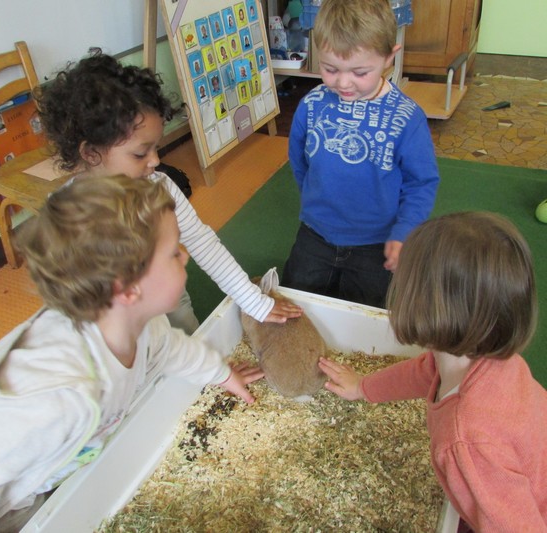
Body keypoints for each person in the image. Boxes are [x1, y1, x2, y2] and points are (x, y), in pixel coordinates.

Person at [0, 175, 264, 528]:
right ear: (128, 288)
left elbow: (173, 350)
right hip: (11, 501)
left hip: (54, 467)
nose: (184, 255)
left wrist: (222, 374)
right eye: (173, 253)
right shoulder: (55, 396)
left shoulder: (144, 325)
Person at [35, 50, 301, 334]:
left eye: (156, 147)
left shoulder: (160, 186)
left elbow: (201, 241)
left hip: (171, 303)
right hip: (110, 322)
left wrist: (253, 301)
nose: (156, 161)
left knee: (188, 345)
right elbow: (66, 296)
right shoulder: (65, 213)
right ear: (90, 153)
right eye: (140, 153)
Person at [319, 212, 547, 531]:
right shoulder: (483, 357)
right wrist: (363, 387)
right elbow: (425, 371)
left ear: (425, 308)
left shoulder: (467, 440)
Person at [282, 0, 439, 309]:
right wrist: (315, 201)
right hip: (315, 235)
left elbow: (421, 183)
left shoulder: (407, 117)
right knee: (295, 304)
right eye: (330, 69)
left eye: (360, 71)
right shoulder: (312, 104)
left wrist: (405, 231)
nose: (343, 82)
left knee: (370, 314)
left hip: (376, 243)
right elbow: (299, 160)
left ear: (388, 57)